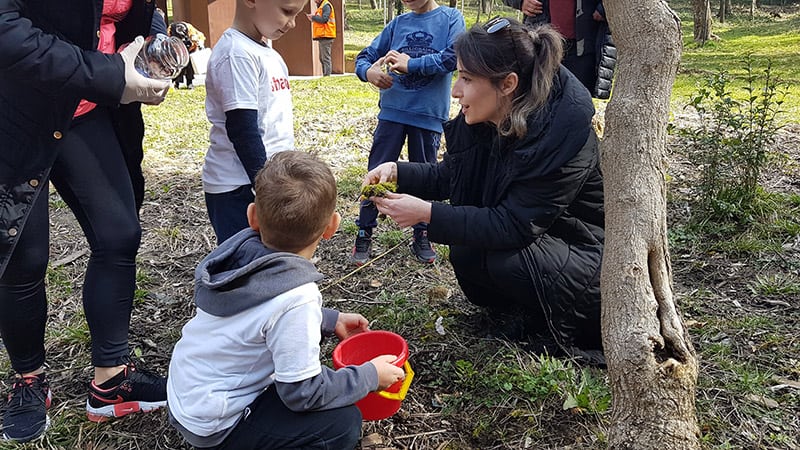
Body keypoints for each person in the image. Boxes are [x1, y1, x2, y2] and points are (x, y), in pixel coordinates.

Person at [364, 18, 605, 365]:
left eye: (466, 79)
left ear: (507, 84)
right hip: (541, 239)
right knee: (466, 250)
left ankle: (547, 323)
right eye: (458, 75)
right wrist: (398, 171)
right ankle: (518, 311)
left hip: (582, 251)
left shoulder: (561, 135)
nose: (455, 91)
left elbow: (514, 226)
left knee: (504, 260)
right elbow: (453, 176)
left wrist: (426, 214)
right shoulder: (490, 113)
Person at [0, 0, 173, 443]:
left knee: (119, 232)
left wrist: (153, 43)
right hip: (14, 106)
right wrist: (111, 76)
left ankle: (111, 379)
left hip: (86, 107)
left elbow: (132, 12)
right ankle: (29, 379)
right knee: (24, 255)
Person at [167, 151, 406, 449]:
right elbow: (301, 393)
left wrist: (330, 319)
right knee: (342, 423)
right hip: (217, 426)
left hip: (187, 398)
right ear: (332, 226)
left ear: (252, 216)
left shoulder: (237, 257)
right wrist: (369, 376)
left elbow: (259, 312)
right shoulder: (298, 298)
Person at [351, 0, 465, 266]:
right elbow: (364, 57)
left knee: (425, 174)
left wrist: (411, 64)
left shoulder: (451, 19)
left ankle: (422, 233)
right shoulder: (397, 24)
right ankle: (364, 231)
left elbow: (453, 58)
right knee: (377, 172)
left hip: (428, 116)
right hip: (392, 113)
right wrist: (369, 72)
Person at [202, 0, 303, 245]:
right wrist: (266, 188)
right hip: (240, 186)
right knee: (243, 264)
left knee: (267, 261)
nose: (292, 23)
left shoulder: (266, 51)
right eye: (287, 12)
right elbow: (243, 130)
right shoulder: (236, 53)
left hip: (264, 181)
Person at [503, 0, 615, 98]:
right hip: (541, 45)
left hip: (583, 47)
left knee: (578, 104)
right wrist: (520, 2)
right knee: (537, 104)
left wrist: (605, 8)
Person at [168, 20, 206, 89]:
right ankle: (177, 83)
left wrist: (198, 42)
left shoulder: (190, 29)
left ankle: (190, 83)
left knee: (189, 67)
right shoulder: (171, 28)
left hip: (189, 49)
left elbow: (200, 36)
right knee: (177, 66)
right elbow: (167, 38)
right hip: (177, 49)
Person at [307, 0, 336, 76]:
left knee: (325, 58)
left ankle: (327, 76)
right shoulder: (322, 5)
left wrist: (313, 17)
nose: (314, 1)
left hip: (326, 35)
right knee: (322, 58)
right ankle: (325, 75)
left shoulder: (326, 5)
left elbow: (324, 19)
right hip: (323, 35)